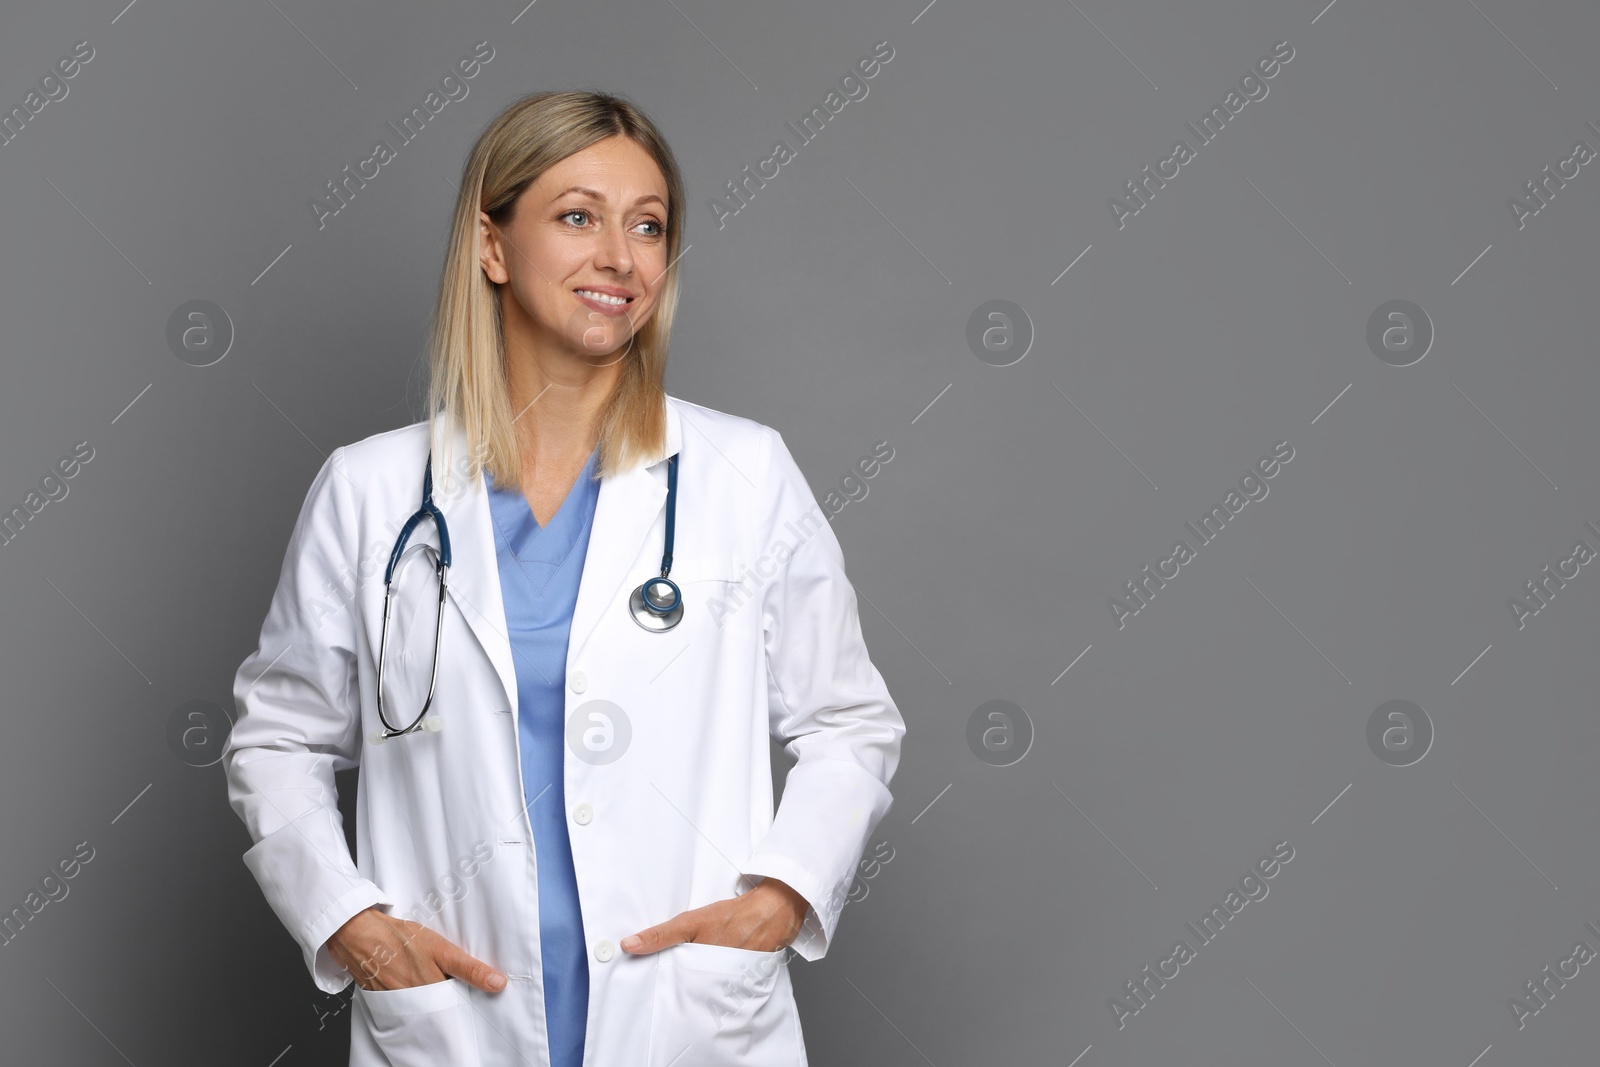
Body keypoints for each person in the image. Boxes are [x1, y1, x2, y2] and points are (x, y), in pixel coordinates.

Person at [222, 89, 906, 1066]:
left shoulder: (743, 476)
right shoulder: (370, 491)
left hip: (688, 1017)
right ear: (492, 247)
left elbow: (848, 721)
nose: (620, 258)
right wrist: (349, 923)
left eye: (648, 225)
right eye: (577, 215)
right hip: (453, 1019)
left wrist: (781, 894)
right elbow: (280, 734)